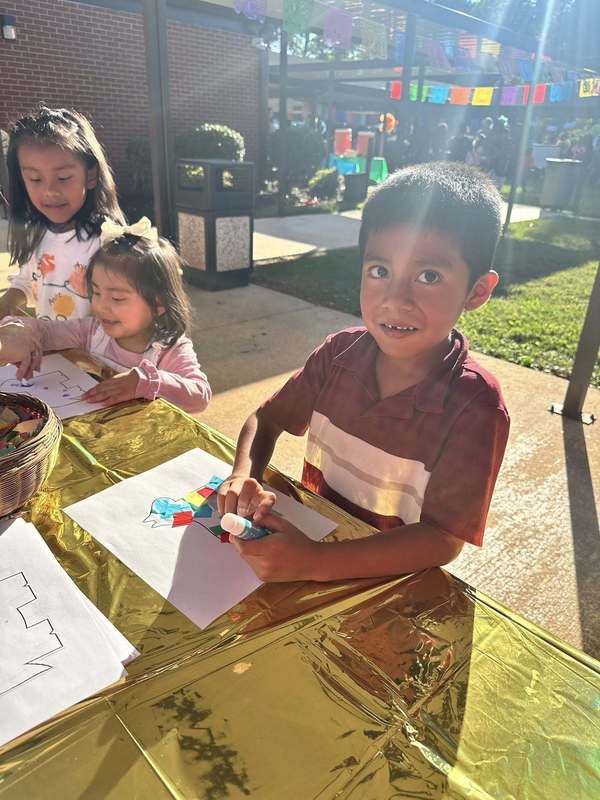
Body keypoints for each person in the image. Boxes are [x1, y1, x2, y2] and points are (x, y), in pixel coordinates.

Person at [218, 162, 509, 582]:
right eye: (380, 271)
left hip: (385, 587)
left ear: (477, 291)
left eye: (429, 276)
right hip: (310, 548)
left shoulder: (476, 406)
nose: (395, 299)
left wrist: (314, 563)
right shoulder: (338, 354)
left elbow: (442, 540)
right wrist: (242, 476)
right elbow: (266, 418)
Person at [0, 218, 211, 414]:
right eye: (96, 292)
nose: (100, 306)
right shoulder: (92, 331)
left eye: (117, 298)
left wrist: (146, 381)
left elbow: (200, 395)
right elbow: (46, 332)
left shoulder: (169, 349)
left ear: (158, 304)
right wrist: (20, 333)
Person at [0, 105, 125, 320]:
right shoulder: (36, 233)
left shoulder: (107, 242)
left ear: (91, 175)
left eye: (64, 177)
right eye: (35, 179)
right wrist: (6, 304)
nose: (50, 191)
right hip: (52, 351)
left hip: (89, 354)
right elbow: (27, 280)